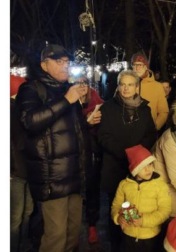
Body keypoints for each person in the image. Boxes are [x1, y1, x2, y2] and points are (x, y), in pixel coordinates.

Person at [15, 44, 91, 252]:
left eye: (66, 62)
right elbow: (30, 121)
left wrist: (86, 117)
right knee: (55, 237)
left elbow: (71, 129)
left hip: (74, 174)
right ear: (44, 65)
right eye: (59, 61)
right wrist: (67, 100)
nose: (65, 66)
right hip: (52, 177)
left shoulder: (66, 89)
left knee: (73, 232)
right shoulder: (31, 88)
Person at [97, 70, 157, 252]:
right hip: (115, 166)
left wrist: (138, 154)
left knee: (137, 206)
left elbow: (151, 134)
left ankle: (134, 242)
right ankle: (116, 244)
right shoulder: (107, 108)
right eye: (123, 84)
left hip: (138, 169)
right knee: (117, 208)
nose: (126, 88)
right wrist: (126, 153)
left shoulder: (144, 110)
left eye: (130, 84)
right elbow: (103, 136)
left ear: (137, 87)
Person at [111, 144, 171, 252]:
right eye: (143, 167)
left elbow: (165, 211)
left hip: (151, 237)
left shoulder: (160, 186)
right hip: (128, 236)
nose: (148, 169)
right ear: (134, 169)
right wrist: (117, 217)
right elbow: (116, 205)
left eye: (150, 165)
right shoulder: (124, 184)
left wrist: (144, 221)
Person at [11, 74, 34, 252]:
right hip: (17, 171)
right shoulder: (14, 113)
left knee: (25, 212)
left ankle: (21, 245)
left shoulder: (21, 111)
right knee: (17, 216)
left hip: (26, 169)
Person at [79, 84, 104, 244]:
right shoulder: (68, 101)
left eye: (83, 82)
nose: (81, 86)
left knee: (92, 190)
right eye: (76, 81)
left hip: (92, 153)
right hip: (73, 154)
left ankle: (92, 225)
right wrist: (85, 122)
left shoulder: (96, 102)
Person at [131, 52, 169, 131]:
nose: (137, 68)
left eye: (140, 65)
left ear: (146, 67)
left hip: (148, 134)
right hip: (127, 132)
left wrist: (154, 128)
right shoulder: (125, 84)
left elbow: (163, 112)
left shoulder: (157, 86)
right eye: (134, 65)